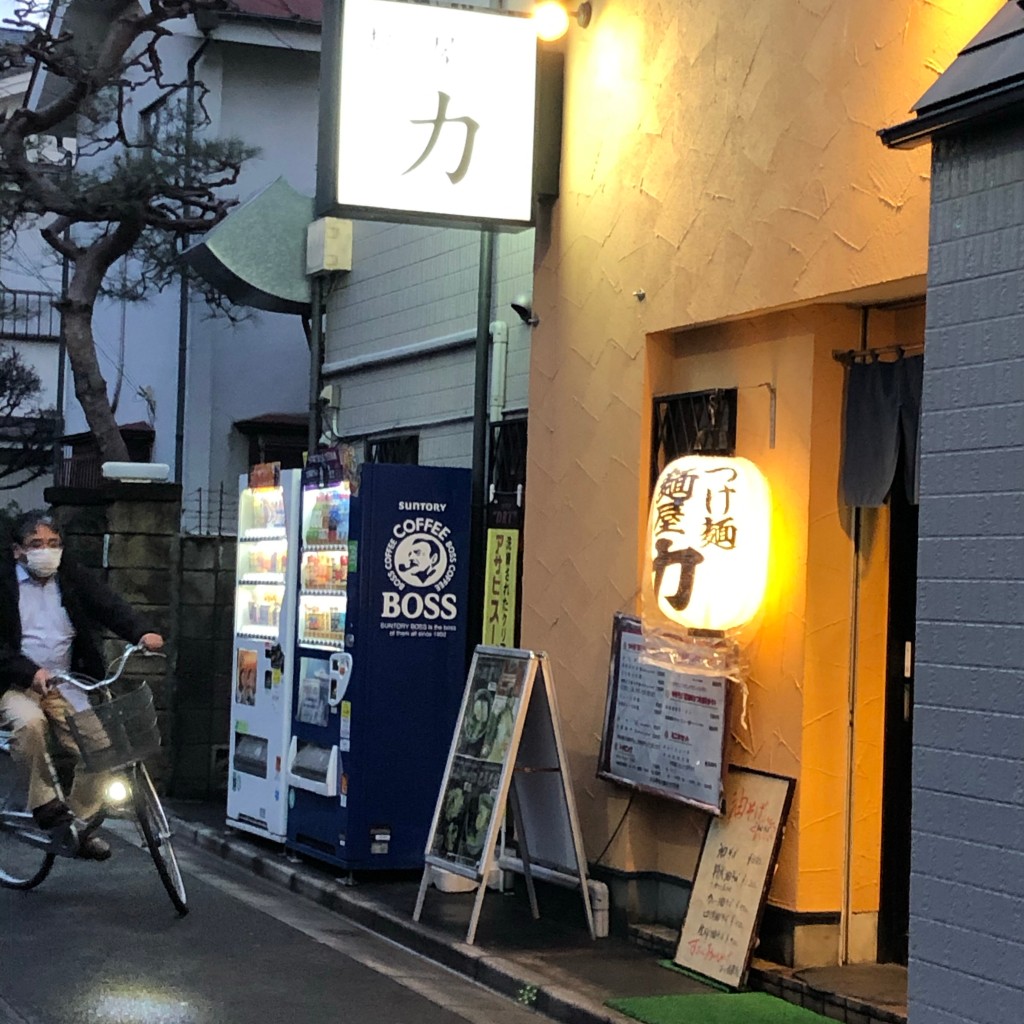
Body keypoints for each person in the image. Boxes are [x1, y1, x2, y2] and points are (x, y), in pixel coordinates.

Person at [0, 510, 164, 861]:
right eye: (36, 544)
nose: (46, 551)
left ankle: (77, 826)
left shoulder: (69, 576)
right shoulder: (2, 584)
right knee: (30, 724)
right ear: (17, 550)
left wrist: (141, 632)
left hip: (65, 682)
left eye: (53, 543)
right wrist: (28, 671)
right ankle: (43, 802)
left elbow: (108, 604)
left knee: (101, 749)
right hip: (15, 683)